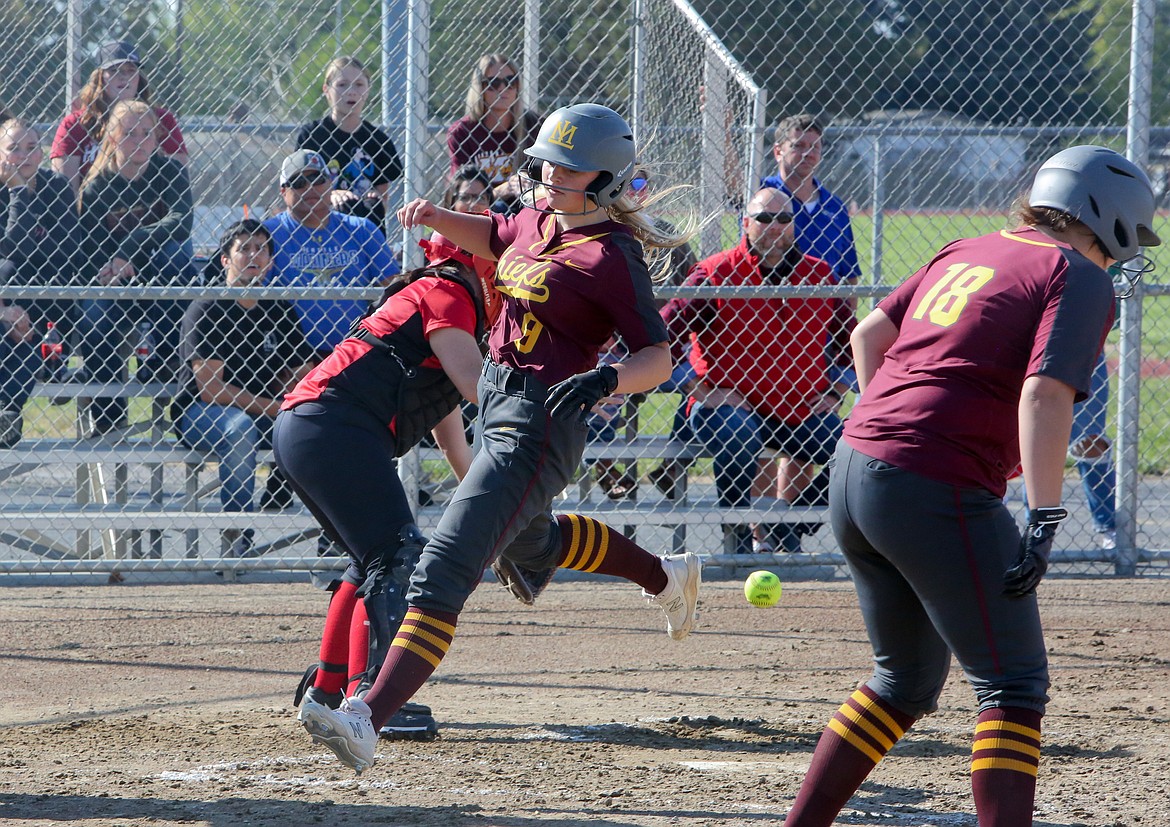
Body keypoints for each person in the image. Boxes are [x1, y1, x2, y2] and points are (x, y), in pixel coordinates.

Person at [298, 103, 703, 774]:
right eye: (545, 160)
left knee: (446, 563)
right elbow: (493, 234)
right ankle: (668, 576)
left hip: (544, 424)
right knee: (533, 543)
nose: (547, 172)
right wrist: (434, 216)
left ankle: (367, 713)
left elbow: (656, 356)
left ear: (604, 179)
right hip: (498, 410)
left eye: (566, 167)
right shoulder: (538, 218)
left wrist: (607, 380)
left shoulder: (611, 254)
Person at [782, 146, 1160, 826]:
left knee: (904, 681)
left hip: (855, 467)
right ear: (1105, 217)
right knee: (1013, 683)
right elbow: (1044, 397)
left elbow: (870, 335)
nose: (1124, 257)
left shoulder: (968, 247)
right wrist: (1045, 516)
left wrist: (895, 430)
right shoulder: (1075, 272)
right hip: (933, 484)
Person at [280, 230, 496, 744]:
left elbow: (455, 448)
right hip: (331, 427)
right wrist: (552, 398)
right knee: (399, 555)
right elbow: (475, 386)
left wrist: (501, 511)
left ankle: (329, 694)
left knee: (372, 559)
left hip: (316, 428)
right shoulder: (449, 292)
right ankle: (375, 698)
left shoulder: (443, 311)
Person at [661, 186, 852, 554]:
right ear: (746, 223)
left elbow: (850, 341)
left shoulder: (819, 275)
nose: (775, 226)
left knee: (856, 450)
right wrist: (697, 388)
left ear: (794, 226)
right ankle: (737, 534)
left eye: (784, 218)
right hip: (728, 407)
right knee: (738, 432)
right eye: (764, 218)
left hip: (798, 410)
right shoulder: (715, 273)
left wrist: (835, 392)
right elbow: (663, 333)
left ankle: (788, 527)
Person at [172, 220, 315, 556]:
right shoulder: (208, 307)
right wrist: (276, 407)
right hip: (201, 414)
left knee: (316, 421)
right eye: (244, 248)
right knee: (240, 429)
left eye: (261, 249)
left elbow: (299, 370)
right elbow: (210, 390)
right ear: (225, 259)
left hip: (260, 411)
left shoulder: (278, 307)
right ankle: (236, 535)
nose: (254, 255)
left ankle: (332, 538)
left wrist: (294, 387)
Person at [76, 99, 195, 436]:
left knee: (176, 254)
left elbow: (181, 223)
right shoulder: (98, 185)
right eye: (129, 133)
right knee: (92, 316)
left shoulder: (169, 171)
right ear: (111, 137)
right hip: (115, 279)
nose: (140, 141)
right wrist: (112, 265)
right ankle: (110, 417)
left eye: (146, 133)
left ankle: (166, 368)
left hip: (159, 276)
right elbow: (92, 247)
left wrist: (130, 248)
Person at [263, 149, 401, 359]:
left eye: (317, 179)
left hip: (356, 349)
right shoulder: (268, 234)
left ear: (330, 184)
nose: (309, 187)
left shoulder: (361, 229)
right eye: (299, 182)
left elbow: (394, 288)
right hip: (289, 357)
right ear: (283, 191)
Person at [0, 118, 80, 446]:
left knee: (18, 272)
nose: (24, 156)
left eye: (32, 148)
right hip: (6, 299)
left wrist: (19, 194)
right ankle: (46, 364)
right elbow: (19, 246)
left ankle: (7, 408)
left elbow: (65, 248)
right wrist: (18, 192)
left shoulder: (56, 187)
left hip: (48, 294)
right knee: (10, 273)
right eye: (13, 149)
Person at [51, 41, 187, 195]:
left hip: (152, 210)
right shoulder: (76, 124)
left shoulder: (162, 119)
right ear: (100, 77)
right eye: (115, 70)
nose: (124, 77)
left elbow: (179, 183)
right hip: (91, 213)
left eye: (131, 70)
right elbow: (66, 192)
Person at [296, 56, 403, 229]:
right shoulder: (312, 136)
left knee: (369, 205)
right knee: (341, 204)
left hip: (363, 224)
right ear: (326, 90)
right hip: (322, 219)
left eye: (359, 84)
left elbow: (382, 197)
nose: (351, 91)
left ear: (368, 90)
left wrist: (370, 199)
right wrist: (331, 194)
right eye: (342, 84)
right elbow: (301, 188)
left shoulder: (379, 140)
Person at [446, 54, 539, 214]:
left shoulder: (534, 125)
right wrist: (504, 189)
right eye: (493, 83)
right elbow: (461, 194)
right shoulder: (462, 132)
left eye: (510, 81)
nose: (502, 88)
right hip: (481, 211)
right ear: (479, 87)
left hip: (526, 207)